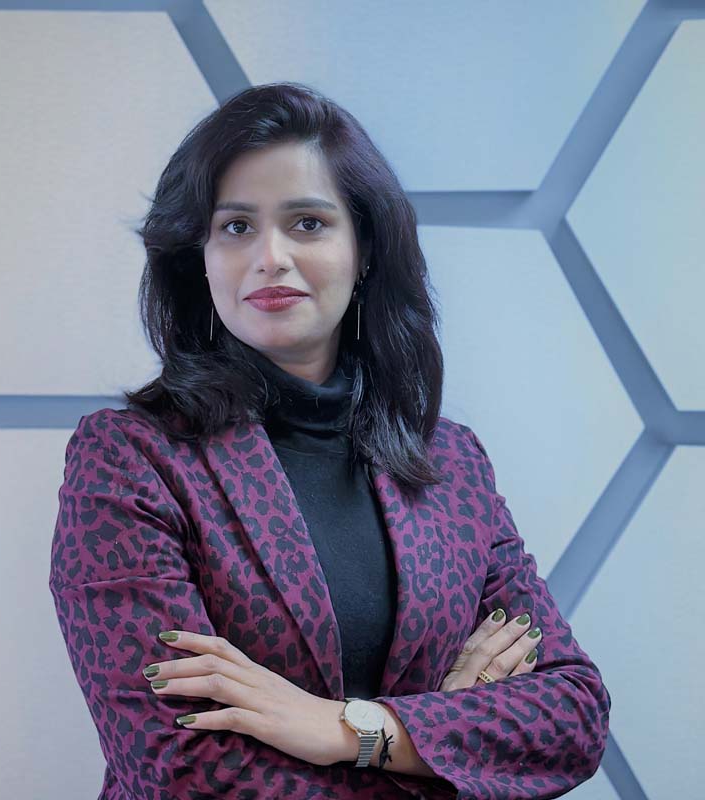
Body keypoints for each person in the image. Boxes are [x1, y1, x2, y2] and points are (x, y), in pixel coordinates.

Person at [48, 82, 611, 800]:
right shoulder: (131, 459)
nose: (271, 257)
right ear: (200, 256)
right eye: (236, 227)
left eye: (307, 223)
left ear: (365, 248)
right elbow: (179, 769)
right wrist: (438, 749)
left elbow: (573, 716)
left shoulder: (452, 463)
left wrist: (344, 727)